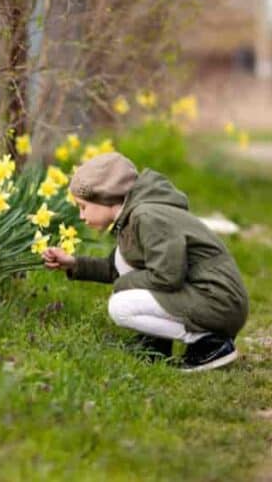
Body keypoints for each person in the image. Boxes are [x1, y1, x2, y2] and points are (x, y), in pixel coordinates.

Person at [42, 152, 249, 372]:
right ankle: (155, 345)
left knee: (120, 306)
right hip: (208, 297)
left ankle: (209, 344)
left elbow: (167, 276)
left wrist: (123, 286)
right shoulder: (134, 215)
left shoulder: (148, 216)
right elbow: (117, 268)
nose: (82, 216)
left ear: (106, 197)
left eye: (83, 207)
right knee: (125, 263)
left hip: (219, 301)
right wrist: (74, 263)